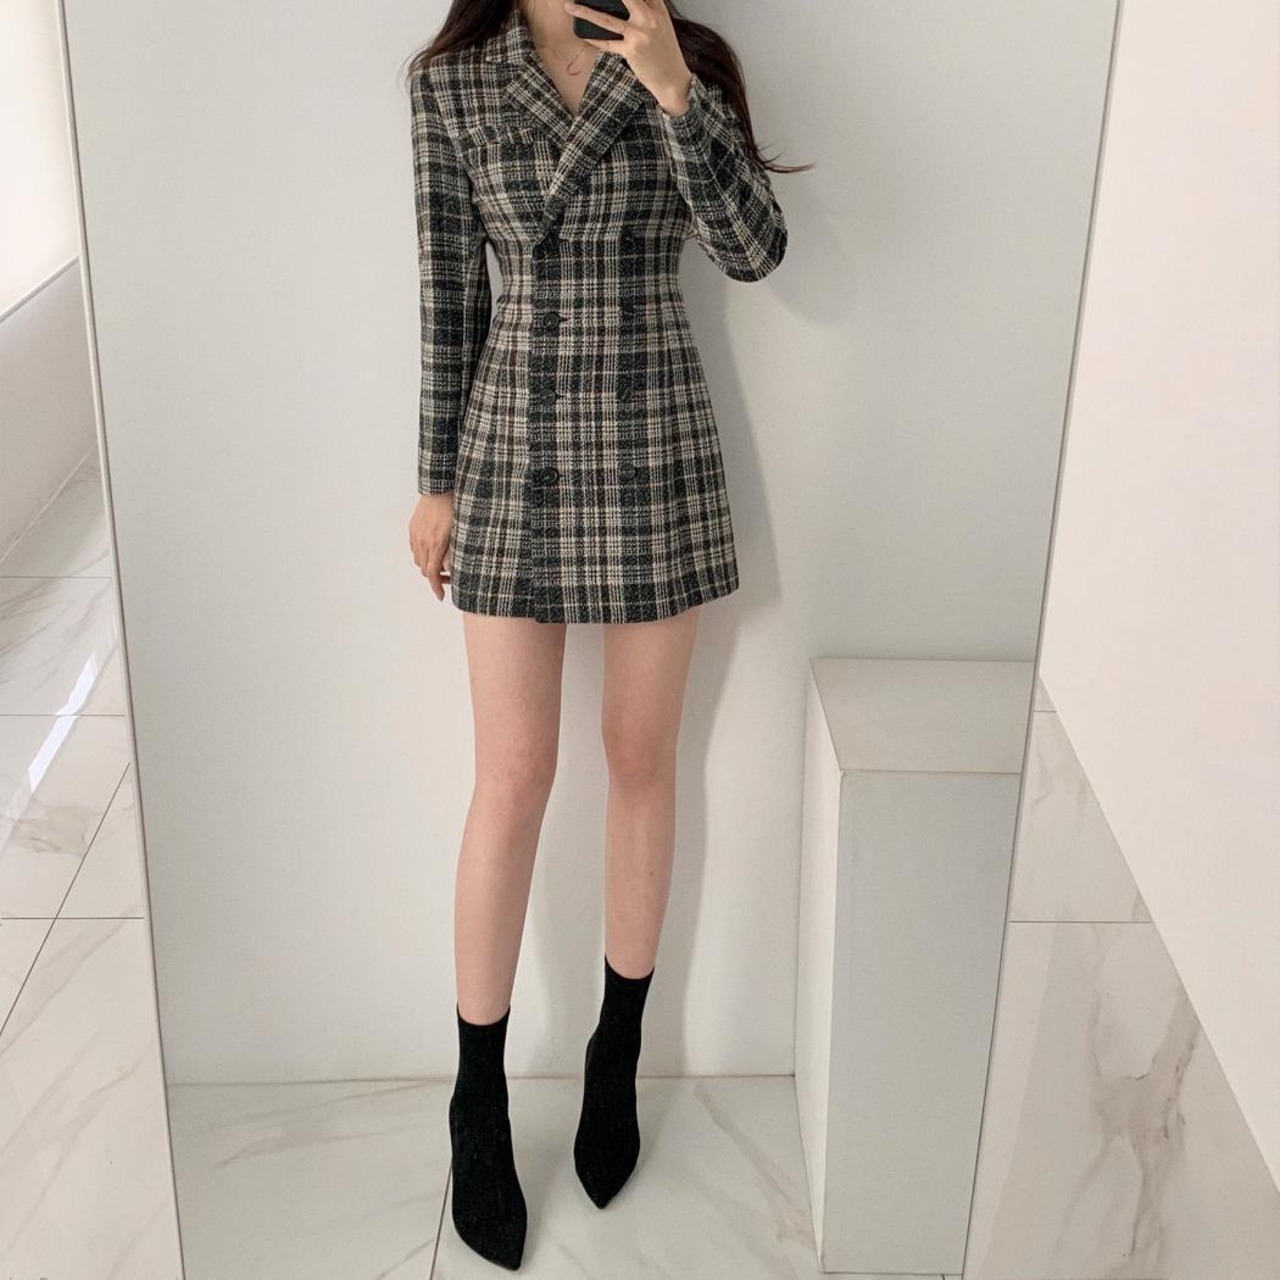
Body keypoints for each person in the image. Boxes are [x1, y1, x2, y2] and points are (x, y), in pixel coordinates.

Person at [404, 0, 803, 1267]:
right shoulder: (451, 82)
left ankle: (614, 1050)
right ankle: (475, 1098)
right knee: (512, 775)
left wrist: (676, 91)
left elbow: (753, 250)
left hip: (649, 440)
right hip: (508, 446)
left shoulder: (682, 57)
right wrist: (434, 477)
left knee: (641, 758)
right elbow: (448, 291)